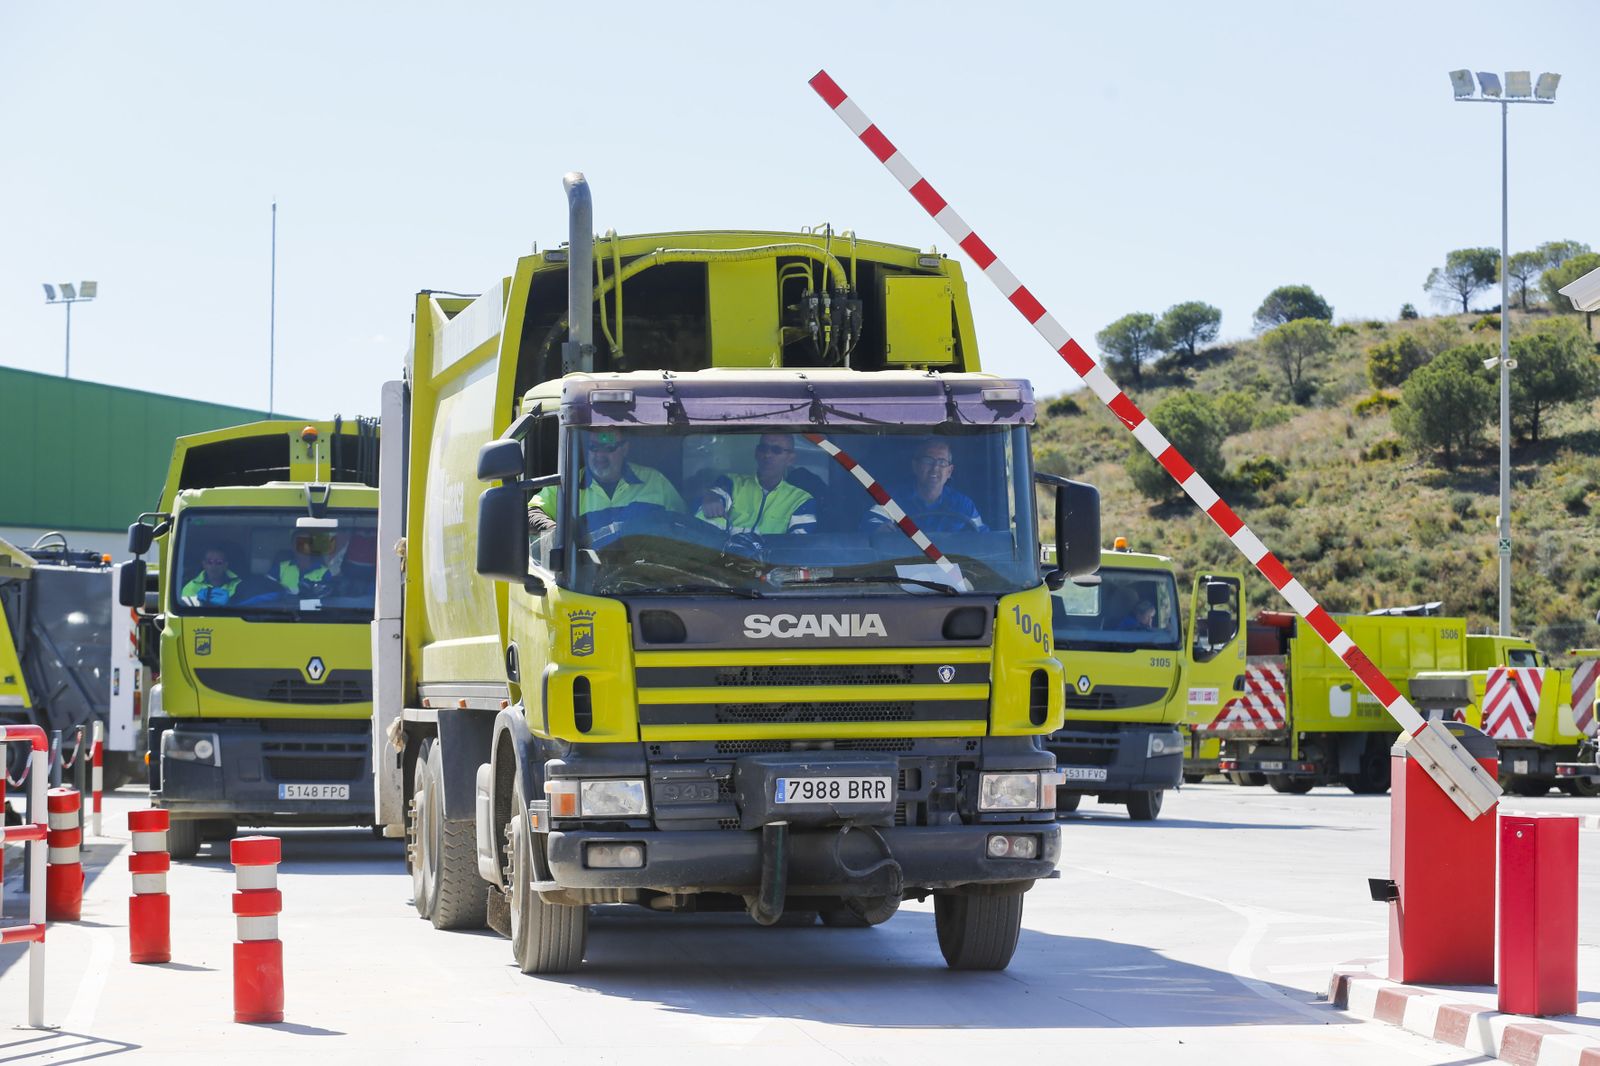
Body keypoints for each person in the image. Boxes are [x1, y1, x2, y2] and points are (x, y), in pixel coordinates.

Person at [528, 429, 685, 538]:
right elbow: (529, 512)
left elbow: (685, 524)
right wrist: (554, 532)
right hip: (586, 580)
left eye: (608, 448)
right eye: (593, 447)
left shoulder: (654, 481)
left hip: (643, 578)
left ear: (625, 449)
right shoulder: (569, 484)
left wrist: (708, 500)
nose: (600, 455)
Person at [696, 434, 818, 536]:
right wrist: (711, 498)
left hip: (773, 564)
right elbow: (711, 506)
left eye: (776, 450)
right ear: (756, 453)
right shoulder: (731, 482)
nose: (767, 455)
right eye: (763, 448)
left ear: (790, 459)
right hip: (721, 561)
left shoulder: (802, 500)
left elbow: (798, 547)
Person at [863, 438, 987, 534]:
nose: (935, 468)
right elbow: (868, 526)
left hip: (950, 566)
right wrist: (879, 530)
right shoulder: (891, 500)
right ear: (915, 466)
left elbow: (983, 538)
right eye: (928, 460)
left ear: (949, 471)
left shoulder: (964, 505)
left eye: (942, 462)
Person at [277, 530, 333, 594]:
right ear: (292, 546)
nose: (304, 546)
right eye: (299, 543)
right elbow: (268, 589)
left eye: (307, 543)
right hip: (284, 603)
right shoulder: (280, 568)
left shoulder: (324, 572)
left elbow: (329, 597)